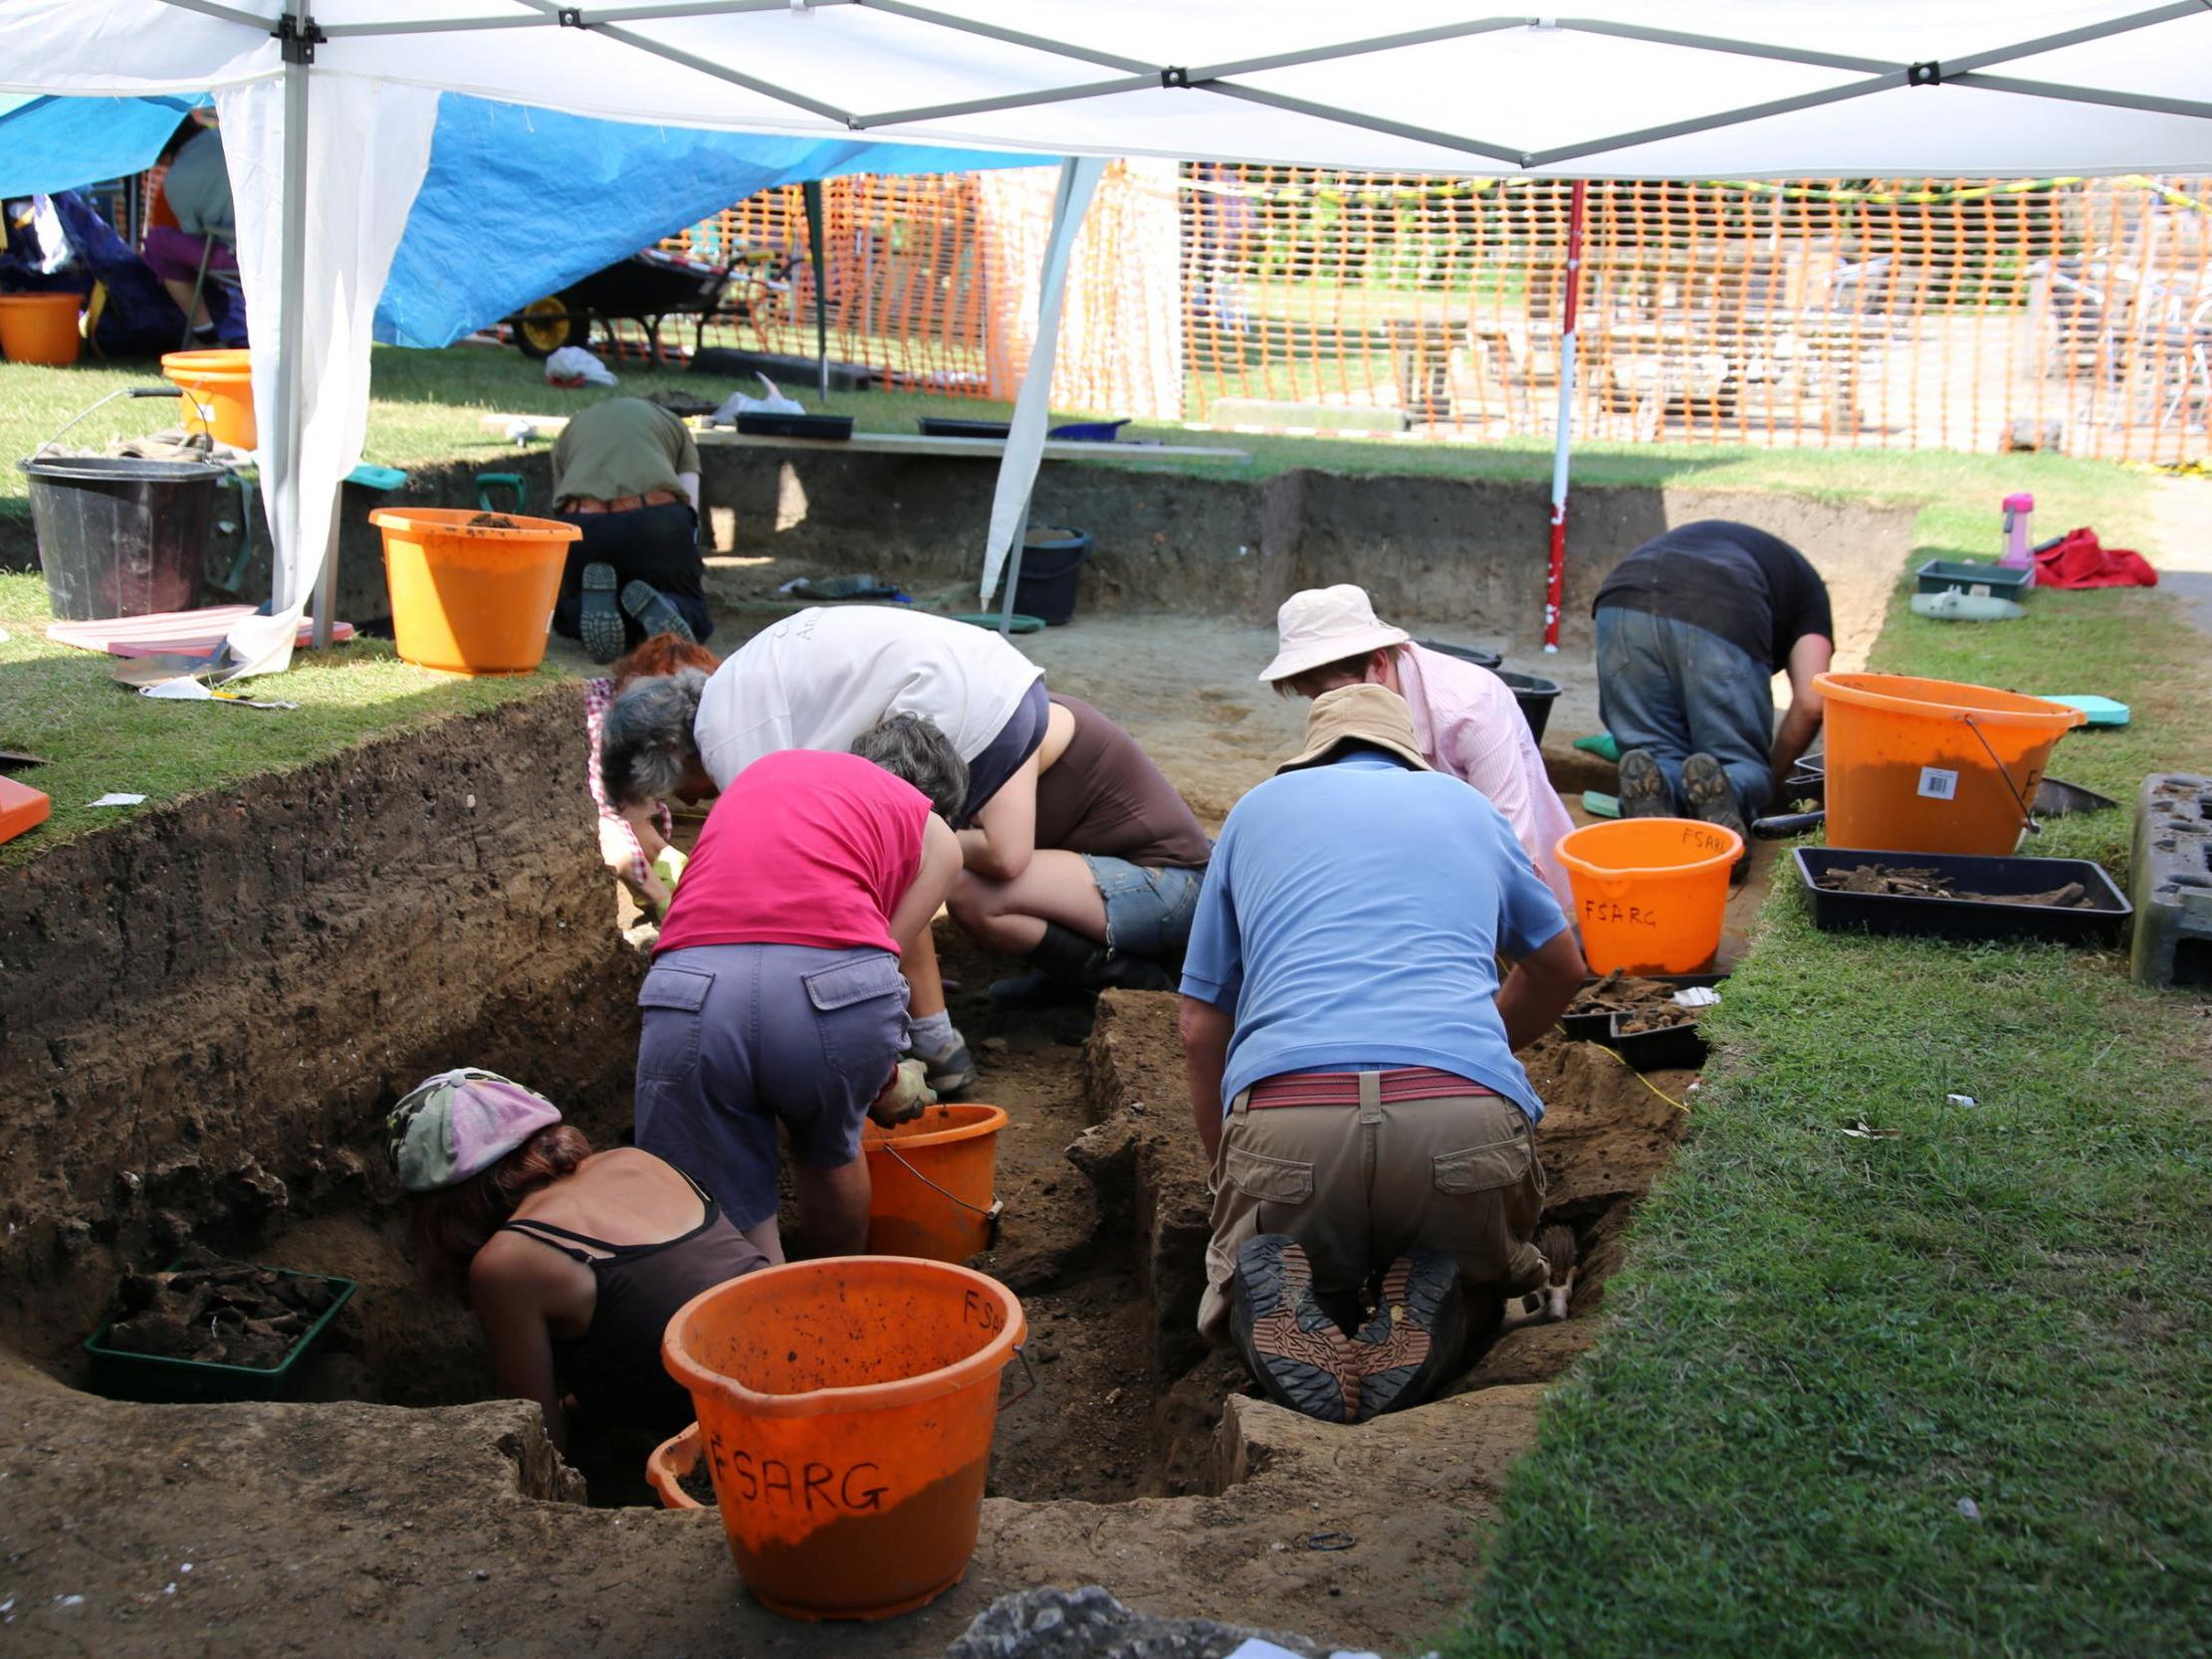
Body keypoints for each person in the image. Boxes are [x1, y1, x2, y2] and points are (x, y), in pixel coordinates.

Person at [1179, 685, 1585, 1424]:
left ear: (1311, 752)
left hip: (1291, 1123)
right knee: (1478, 1280)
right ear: (1409, 753)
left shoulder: (1252, 814)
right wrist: (1475, 1049)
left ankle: (1309, 1313)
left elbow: (1200, 1025)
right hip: (1459, 1122)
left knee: (1260, 1276)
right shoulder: (1469, 809)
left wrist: (1227, 1175)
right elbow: (1562, 967)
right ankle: (1440, 1310)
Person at [601, 605, 1050, 1093]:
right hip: (1004, 684)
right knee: (891, 859)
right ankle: (923, 1038)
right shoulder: (734, 690)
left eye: (675, 791)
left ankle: (906, 1043)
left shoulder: (733, 746)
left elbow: (787, 879)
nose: (691, 802)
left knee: (881, 863)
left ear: (673, 756)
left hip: (955, 700)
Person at [632, 731, 965, 1265]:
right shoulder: (936, 832)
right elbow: (875, 962)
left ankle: (757, 1301)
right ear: (937, 800)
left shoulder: (764, 777)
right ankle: (833, 1296)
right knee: (831, 1148)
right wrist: (881, 1078)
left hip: (690, 990)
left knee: (720, 1192)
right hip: (825, 997)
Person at [387, 1067, 768, 1452]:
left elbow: (540, 1439)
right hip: (802, 1348)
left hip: (741, 1438)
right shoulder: (634, 1158)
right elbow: (651, 1310)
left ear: (441, 1209)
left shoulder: (506, 1263)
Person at [857, 694, 1211, 1004]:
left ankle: (1128, 979)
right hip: (1122, 873)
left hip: (1175, 886)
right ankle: (1071, 972)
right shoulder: (993, 726)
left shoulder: (1013, 736)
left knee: (969, 889)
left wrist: (921, 835)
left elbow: (1004, 855)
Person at [1257, 585, 1577, 914]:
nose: (1330, 708)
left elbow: (1511, 852)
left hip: (1496, 888)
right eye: (1315, 699)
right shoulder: (1348, 715)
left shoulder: (1471, 707)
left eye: (1334, 693)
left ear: (1380, 665)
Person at [1591, 518, 1834, 842]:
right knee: (1736, 761)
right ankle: (1733, 788)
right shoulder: (1810, 594)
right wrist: (1767, 777)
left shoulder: (1739, 549)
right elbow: (1812, 701)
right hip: (1722, 606)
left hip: (1623, 600)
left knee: (1655, 754)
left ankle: (1658, 797)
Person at [550, 397, 713, 664]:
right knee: (695, 610)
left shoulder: (573, 425)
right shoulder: (673, 424)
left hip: (585, 528)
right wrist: (688, 565)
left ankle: (589, 608)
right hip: (655, 524)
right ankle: (671, 606)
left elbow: (560, 506)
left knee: (567, 610)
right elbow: (691, 507)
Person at [584, 632, 718, 918]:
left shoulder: (637, 729)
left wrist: (671, 862)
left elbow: (634, 816)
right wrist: (666, 904)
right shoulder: (602, 726)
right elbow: (612, 835)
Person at [142, 114, 246, 345]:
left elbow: (193, 233)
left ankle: (205, 333)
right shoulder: (231, 136)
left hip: (238, 257)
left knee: (158, 243)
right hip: (291, 245)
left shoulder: (177, 179)